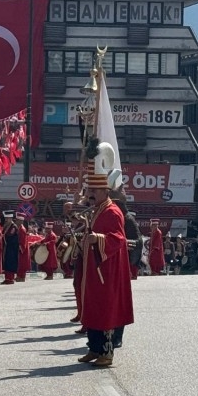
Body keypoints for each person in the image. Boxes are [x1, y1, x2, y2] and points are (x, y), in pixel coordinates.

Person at [77, 142, 134, 367]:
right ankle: (94, 347)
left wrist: (97, 239)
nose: (90, 194)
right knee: (93, 306)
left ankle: (107, 352)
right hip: (96, 266)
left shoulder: (112, 211)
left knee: (106, 308)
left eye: (94, 191)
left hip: (107, 269)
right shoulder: (98, 210)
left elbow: (118, 239)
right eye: (90, 190)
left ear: (105, 191)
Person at [1, 210, 20, 284]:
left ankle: (10, 278)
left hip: (12, 248)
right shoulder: (6, 226)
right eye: (5, 218)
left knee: (10, 262)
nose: (6, 220)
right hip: (7, 247)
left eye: (8, 219)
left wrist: (3, 236)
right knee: (6, 262)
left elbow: (10, 236)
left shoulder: (13, 227)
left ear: (11, 218)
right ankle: (7, 278)